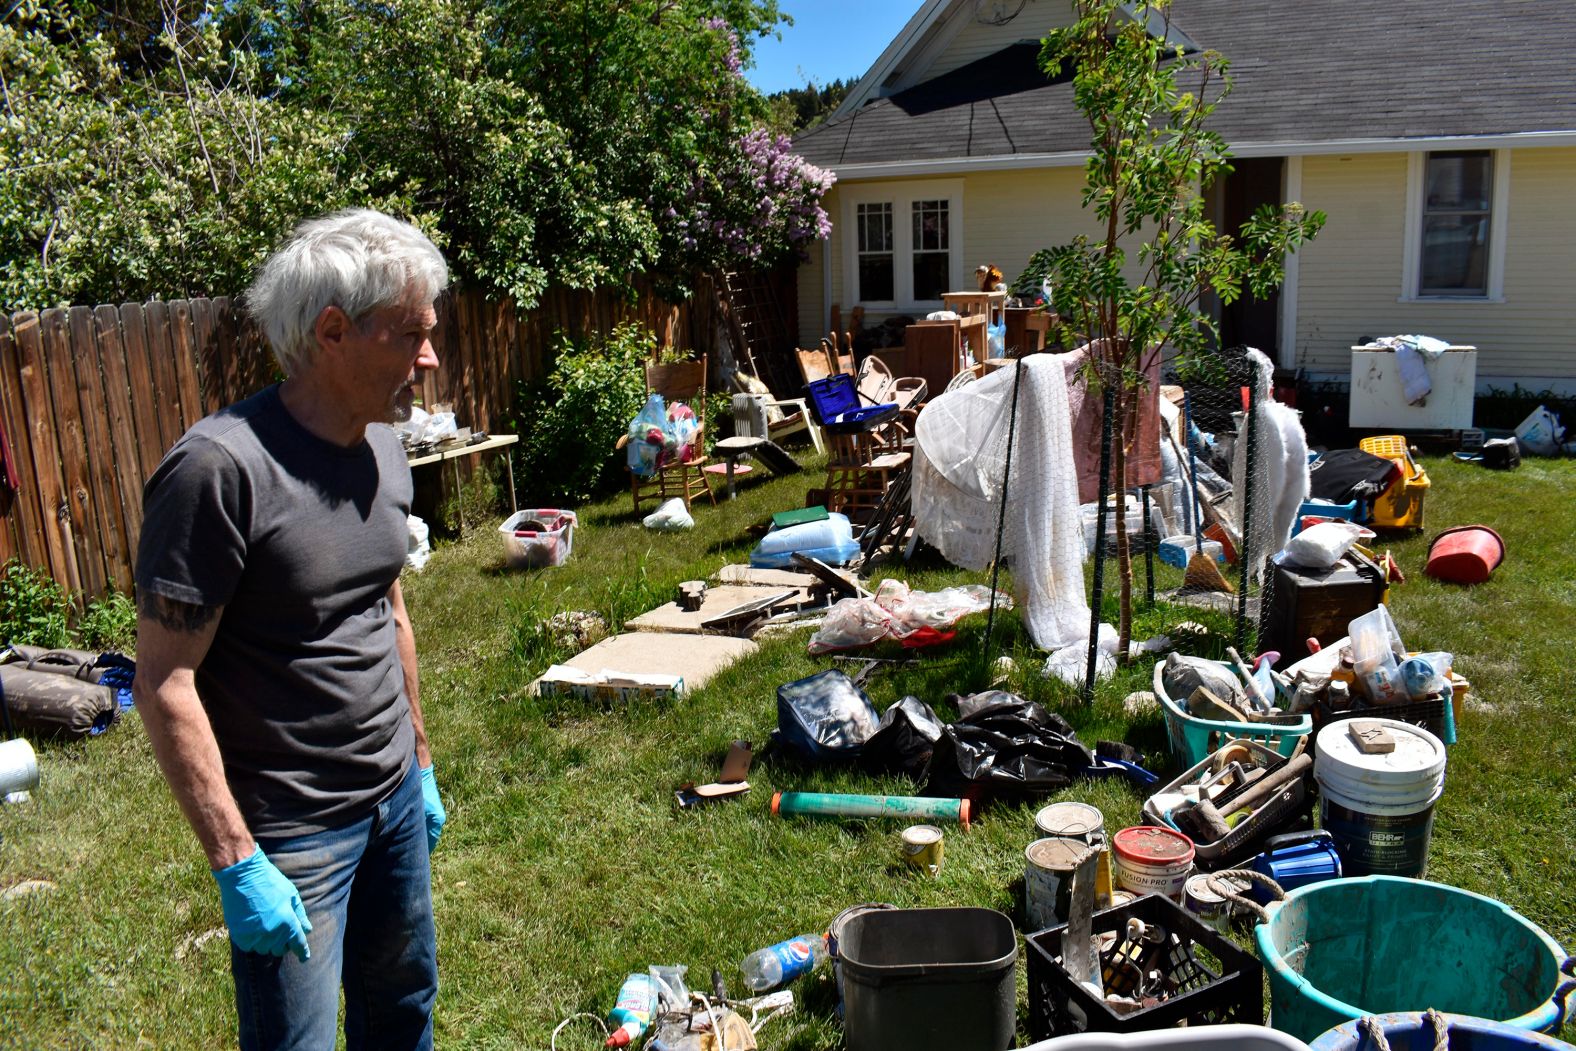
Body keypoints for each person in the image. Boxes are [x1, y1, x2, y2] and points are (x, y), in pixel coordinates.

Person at [133, 209, 450, 1051]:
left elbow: (388, 604)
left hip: (392, 808)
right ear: (334, 332)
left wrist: (417, 760)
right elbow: (162, 679)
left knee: (403, 1012)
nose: (431, 359)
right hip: (293, 835)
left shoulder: (383, 447)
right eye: (412, 335)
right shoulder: (218, 470)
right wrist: (238, 860)